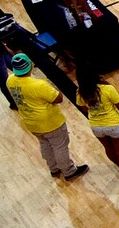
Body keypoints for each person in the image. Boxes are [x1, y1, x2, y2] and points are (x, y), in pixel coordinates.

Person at [6, 53, 88, 181]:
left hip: (31, 122)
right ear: (29, 66)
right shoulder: (39, 84)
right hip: (50, 122)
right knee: (59, 146)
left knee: (45, 144)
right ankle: (69, 171)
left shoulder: (10, 80)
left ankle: (54, 168)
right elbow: (58, 98)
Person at [73, 65, 119, 186]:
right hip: (115, 125)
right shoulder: (107, 89)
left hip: (97, 127)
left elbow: (84, 109)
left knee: (109, 150)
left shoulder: (80, 93)